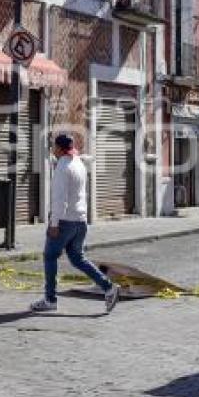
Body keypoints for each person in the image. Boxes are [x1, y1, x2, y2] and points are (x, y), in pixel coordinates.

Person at [30, 134, 121, 314]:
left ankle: (50, 299)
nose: (53, 151)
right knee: (78, 258)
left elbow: (60, 199)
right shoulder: (78, 163)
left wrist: (54, 223)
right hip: (80, 221)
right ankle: (109, 287)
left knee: (50, 256)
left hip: (64, 221)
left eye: (54, 147)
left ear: (59, 149)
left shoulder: (63, 167)